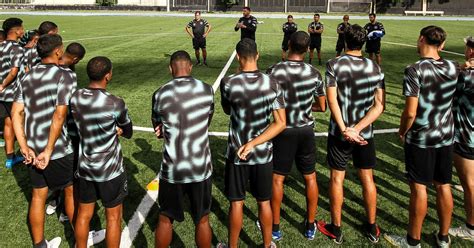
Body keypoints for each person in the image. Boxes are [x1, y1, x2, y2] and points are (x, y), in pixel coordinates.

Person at [384, 26, 460, 248]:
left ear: (421, 39)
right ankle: (444, 237)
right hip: (446, 136)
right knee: (443, 185)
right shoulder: (453, 66)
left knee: (419, 187)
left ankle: (413, 241)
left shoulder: (414, 70)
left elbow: (410, 112)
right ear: (442, 45)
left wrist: (402, 130)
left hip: (421, 138)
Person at [317, 24, 385, 244]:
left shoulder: (334, 64)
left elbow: (332, 100)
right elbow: (379, 106)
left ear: (344, 41)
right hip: (365, 134)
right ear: (363, 42)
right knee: (367, 178)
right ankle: (371, 226)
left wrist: (346, 128)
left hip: (340, 133)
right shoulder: (375, 68)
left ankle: (336, 229)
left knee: (337, 177)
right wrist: (358, 128)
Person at [217, 38, 286, 248]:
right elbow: (280, 123)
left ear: (238, 57)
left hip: (236, 152)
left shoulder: (228, 83)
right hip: (263, 154)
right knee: (264, 202)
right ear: (257, 55)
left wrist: (247, 143)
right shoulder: (272, 83)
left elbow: (227, 109)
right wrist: (255, 143)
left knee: (236, 202)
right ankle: (267, 245)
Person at [11, 34, 76, 248]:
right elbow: (60, 115)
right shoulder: (65, 75)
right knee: (69, 189)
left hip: (32, 147)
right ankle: (79, 236)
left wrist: (24, 147)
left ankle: (40, 244)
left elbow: (16, 113)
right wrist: (48, 150)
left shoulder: (26, 77)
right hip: (56, 148)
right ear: (58, 51)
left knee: (38, 195)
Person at [266, 31, 326, 241]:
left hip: (283, 130)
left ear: (289, 44)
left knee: (277, 178)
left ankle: (275, 227)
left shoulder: (273, 71)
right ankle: (310, 225)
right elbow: (322, 106)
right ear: (308, 49)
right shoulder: (315, 73)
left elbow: (266, 102)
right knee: (310, 177)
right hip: (306, 129)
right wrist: (304, 107)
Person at [152, 50, 214, 248]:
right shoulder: (207, 89)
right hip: (200, 166)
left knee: (165, 218)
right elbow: (207, 121)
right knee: (202, 219)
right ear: (190, 67)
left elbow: (158, 130)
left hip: (172, 168)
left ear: (170, 68)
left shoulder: (160, 93)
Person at [71, 56, 132, 248]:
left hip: (85, 167)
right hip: (110, 169)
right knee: (113, 217)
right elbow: (128, 131)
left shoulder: (75, 97)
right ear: (108, 76)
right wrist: (119, 130)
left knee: (83, 213)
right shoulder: (115, 102)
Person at [449, 36, 474, 241]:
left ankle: (471, 227)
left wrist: (461, 69)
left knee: (470, 184)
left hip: (467, 136)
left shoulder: (467, 76)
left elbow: (444, 80)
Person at [0, 17, 25, 169]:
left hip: (3, 95)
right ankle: (25, 152)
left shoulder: (1, 46)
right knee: (20, 124)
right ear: (16, 31)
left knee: (8, 123)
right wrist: (3, 84)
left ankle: (10, 157)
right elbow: (14, 71)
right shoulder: (17, 48)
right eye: (22, 28)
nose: (23, 30)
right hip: (13, 94)